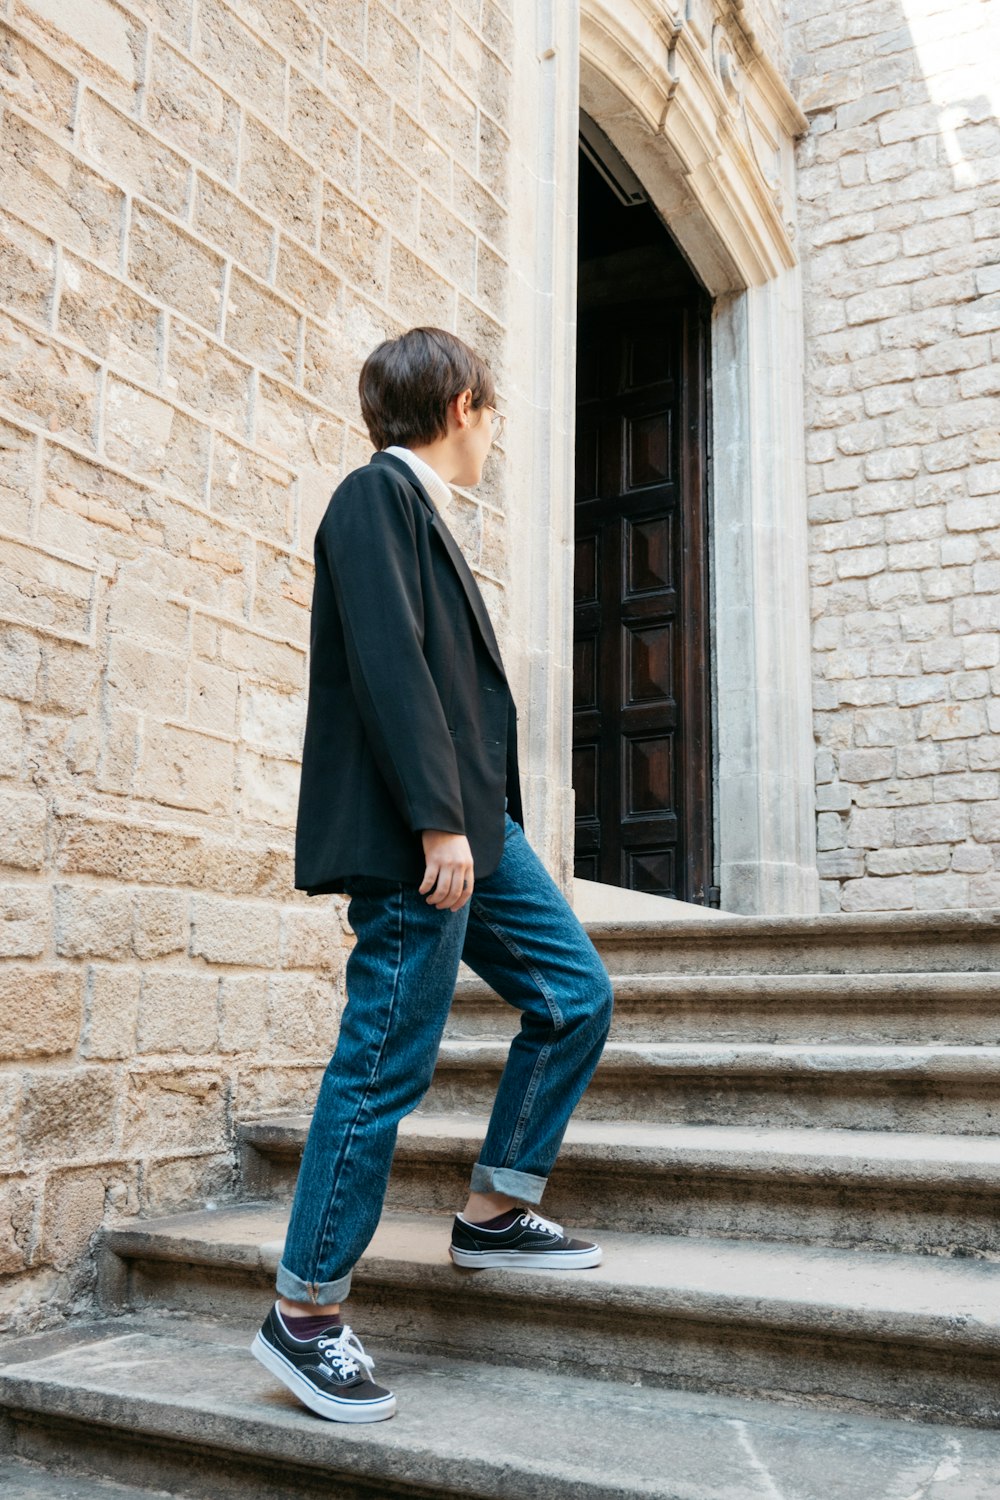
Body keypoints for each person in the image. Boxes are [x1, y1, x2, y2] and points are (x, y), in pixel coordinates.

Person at [251, 327, 615, 1422]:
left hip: (475, 831)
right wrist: (436, 825)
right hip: (430, 841)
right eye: (492, 411)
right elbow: (391, 668)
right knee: (380, 1067)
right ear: (461, 404)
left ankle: (496, 1210)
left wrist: (473, 821)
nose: (495, 434)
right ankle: (304, 1314)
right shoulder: (373, 499)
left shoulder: (418, 511)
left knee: (575, 995)